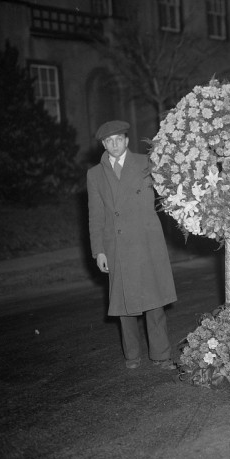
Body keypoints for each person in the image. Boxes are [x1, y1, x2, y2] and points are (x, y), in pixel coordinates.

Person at [87, 120, 177, 370]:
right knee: (124, 303)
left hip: (146, 240)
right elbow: (95, 216)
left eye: (118, 139)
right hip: (115, 244)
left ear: (127, 141)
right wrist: (99, 251)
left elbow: (170, 192)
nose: (114, 144)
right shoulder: (95, 174)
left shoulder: (147, 163)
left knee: (154, 300)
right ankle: (132, 355)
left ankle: (161, 355)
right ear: (104, 145)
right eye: (109, 141)